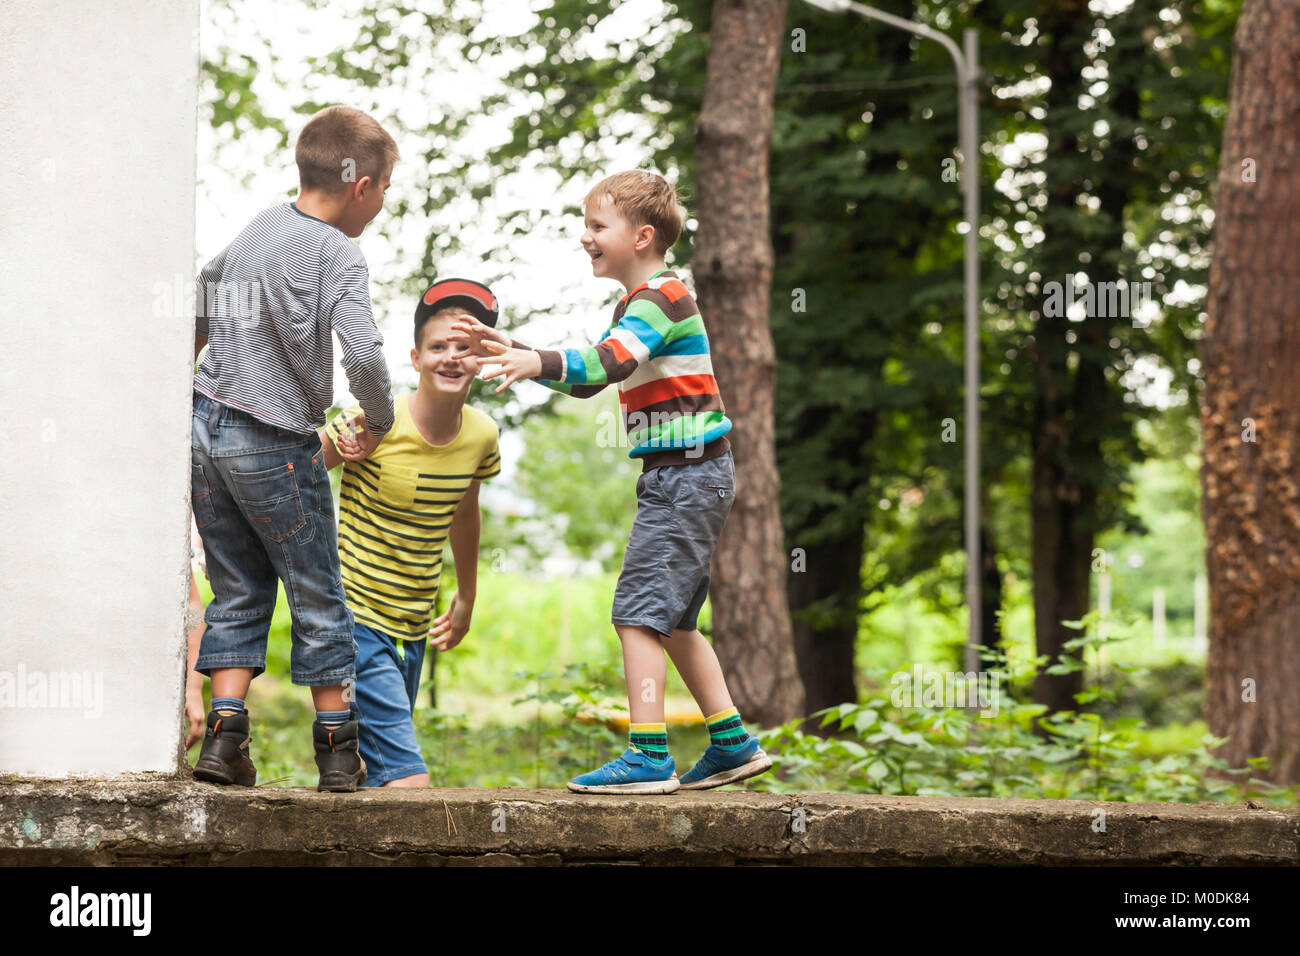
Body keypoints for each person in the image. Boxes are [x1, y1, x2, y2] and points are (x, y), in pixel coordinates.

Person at [453, 170, 771, 793]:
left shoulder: (661, 297)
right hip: (688, 476)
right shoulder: (637, 304)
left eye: (598, 226)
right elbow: (594, 378)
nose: (585, 237)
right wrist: (516, 349)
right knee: (675, 621)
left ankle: (649, 754)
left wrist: (532, 358)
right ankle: (732, 743)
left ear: (642, 235)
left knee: (637, 616)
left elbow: (608, 362)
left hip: (686, 477)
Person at [190, 106, 398, 792]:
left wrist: (187, 375)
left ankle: (224, 739)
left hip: (205, 430)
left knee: (238, 588)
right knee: (317, 593)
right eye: (386, 188)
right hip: (275, 443)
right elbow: (363, 352)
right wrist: (380, 416)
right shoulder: (338, 252)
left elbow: (201, 294)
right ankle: (339, 755)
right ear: (361, 186)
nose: (381, 201)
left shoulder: (260, 227)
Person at [319, 279, 501, 788]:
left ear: (483, 358)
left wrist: (466, 597)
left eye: (464, 348)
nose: (450, 358)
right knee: (408, 783)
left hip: (413, 624)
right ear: (416, 357)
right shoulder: (373, 421)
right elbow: (301, 471)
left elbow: (466, 514)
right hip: (355, 618)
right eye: (438, 346)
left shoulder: (482, 435)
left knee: (370, 777)